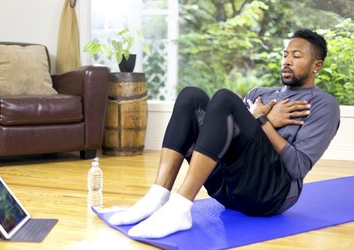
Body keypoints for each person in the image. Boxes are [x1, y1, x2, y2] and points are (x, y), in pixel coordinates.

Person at [108, 29, 340, 238]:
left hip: (270, 196)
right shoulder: (260, 93)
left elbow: (298, 167)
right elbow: (226, 133)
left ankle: (180, 207)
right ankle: (158, 196)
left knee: (224, 98)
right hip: (227, 190)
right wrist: (267, 118)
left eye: (296, 56)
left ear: (316, 66)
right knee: (191, 97)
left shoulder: (323, 105)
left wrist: (262, 120)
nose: (287, 61)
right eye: (284, 55)